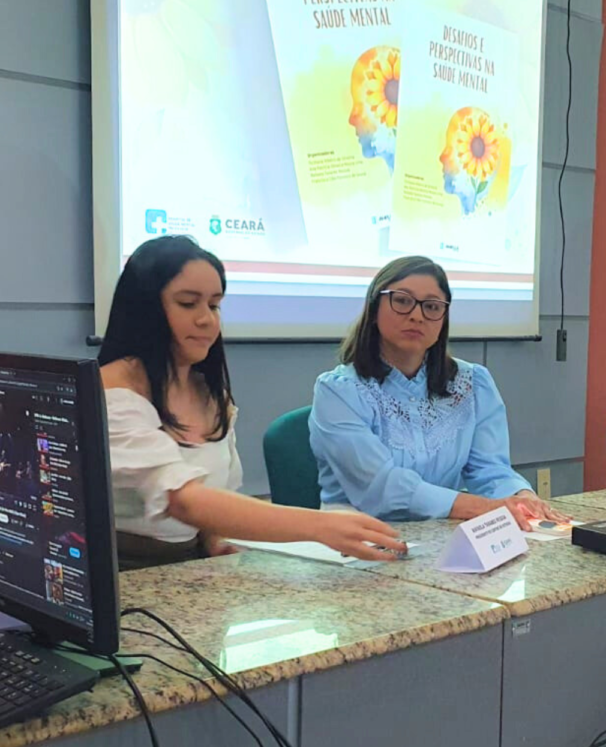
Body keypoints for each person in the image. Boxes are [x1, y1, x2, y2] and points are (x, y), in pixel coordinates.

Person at [99, 236, 405, 570]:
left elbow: (213, 500)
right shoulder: (112, 392)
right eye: (188, 304)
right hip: (123, 575)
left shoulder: (207, 391)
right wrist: (320, 526)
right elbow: (182, 500)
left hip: (194, 570)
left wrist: (214, 537)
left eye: (214, 305)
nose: (207, 320)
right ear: (144, 309)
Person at [309, 255, 567, 531]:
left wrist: (521, 497)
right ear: (374, 309)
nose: (417, 315)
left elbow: (489, 469)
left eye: (432, 306)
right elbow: (379, 487)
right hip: (355, 539)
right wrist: (478, 507)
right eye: (402, 301)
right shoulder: (338, 391)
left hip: (441, 536)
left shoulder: (472, 383)